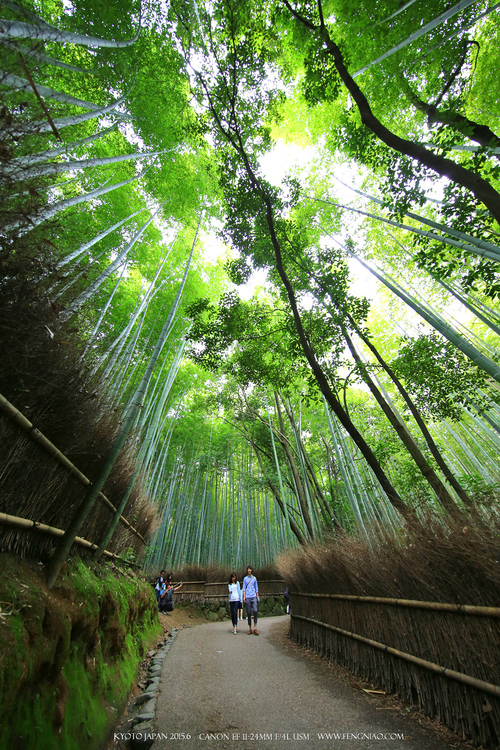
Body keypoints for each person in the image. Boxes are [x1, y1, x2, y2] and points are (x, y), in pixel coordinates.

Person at [242, 565, 259, 635]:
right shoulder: (245, 579)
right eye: (248, 569)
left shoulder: (254, 578)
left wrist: (257, 596)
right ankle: (250, 628)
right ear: (247, 570)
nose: (249, 570)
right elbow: (244, 588)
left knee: (255, 610)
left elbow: (256, 588)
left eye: (250, 569)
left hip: (253, 596)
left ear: (251, 570)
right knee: (248, 613)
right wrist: (244, 597)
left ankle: (255, 628)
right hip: (248, 597)